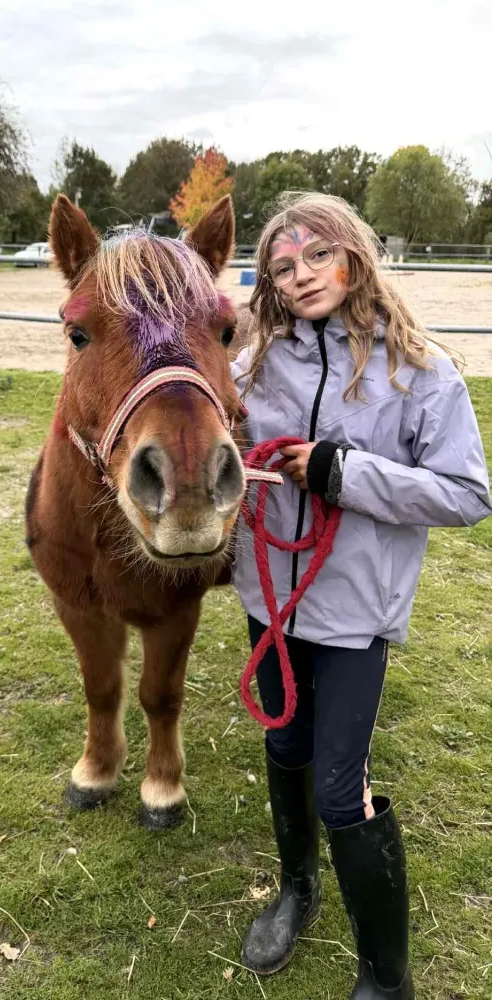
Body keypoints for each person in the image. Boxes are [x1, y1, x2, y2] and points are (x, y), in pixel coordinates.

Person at [230, 192, 491, 999]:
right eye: (282, 265)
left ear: (353, 255)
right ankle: (297, 889)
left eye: (316, 256)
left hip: (352, 615)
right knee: (283, 747)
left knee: (341, 785)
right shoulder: (251, 366)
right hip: (267, 602)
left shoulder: (417, 370)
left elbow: (465, 492)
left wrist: (346, 474)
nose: (301, 275)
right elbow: (213, 441)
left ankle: (387, 975)